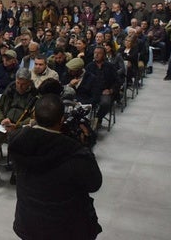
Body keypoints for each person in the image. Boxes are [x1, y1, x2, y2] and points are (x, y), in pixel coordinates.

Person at [8, 93, 103, 239]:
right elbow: (94, 184)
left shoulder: (17, 142)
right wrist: (85, 146)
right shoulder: (74, 152)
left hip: (28, 223)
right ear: (62, 120)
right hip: (66, 228)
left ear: (34, 116)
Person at [0, 68, 37, 186]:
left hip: (21, 127)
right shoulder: (10, 89)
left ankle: (17, 172)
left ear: (29, 82)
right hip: (5, 124)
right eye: (18, 83)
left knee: (19, 141)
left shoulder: (35, 95)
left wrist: (18, 125)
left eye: (23, 84)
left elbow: (34, 117)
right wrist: (2, 119)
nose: (20, 86)